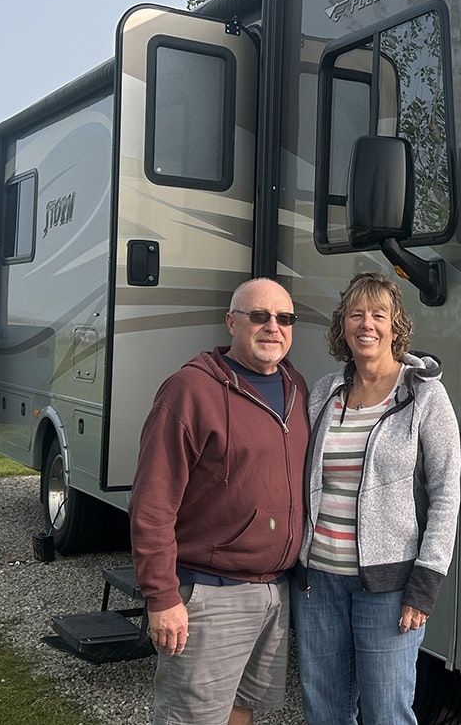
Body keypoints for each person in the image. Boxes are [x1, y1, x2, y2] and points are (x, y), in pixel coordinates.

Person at [129, 277, 310, 725]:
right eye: (259, 316)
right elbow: (151, 504)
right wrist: (162, 597)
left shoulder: (296, 387)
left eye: (284, 318)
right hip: (210, 594)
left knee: (240, 710)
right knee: (191, 718)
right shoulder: (190, 391)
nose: (273, 327)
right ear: (232, 322)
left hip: (275, 591)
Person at [292, 271, 461, 725]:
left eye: (378, 314)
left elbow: (446, 496)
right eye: (355, 314)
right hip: (318, 582)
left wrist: (424, 588)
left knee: (387, 712)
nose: (366, 323)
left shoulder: (424, 395)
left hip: (389, 589)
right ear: (342, 326)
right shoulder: (325, 394)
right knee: (324, 710)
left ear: (395, 325)